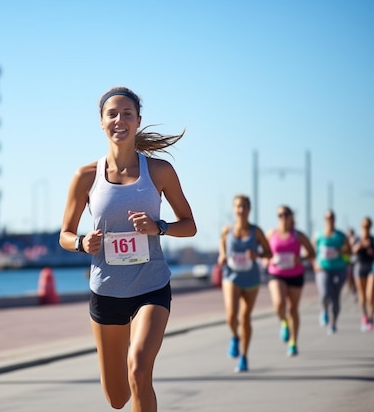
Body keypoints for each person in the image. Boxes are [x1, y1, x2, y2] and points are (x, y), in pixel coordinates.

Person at [59, 87, 196, 411]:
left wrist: (159, 226)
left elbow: (189, 224)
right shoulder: (86, 176)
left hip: (151, 286)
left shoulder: (159, 171)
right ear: (102, 122)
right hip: (106, 291)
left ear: (137, 121)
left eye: (127, 114)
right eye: (113, 114)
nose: (120, 120)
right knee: (118, 397)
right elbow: (64, 234)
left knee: (139, 368)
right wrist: (81, 243)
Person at [217, 194, 272, 372]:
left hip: (251, 278)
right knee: (231, 316)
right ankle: (234, 336)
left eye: (244, 206)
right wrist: (222, 254)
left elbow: (269, 253)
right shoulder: (227, 230)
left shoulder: (256, 232)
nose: (241, 210)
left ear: (249, 209)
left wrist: (257, 255)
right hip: (231, 276)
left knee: (245, 318)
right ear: (234, 209)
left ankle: (244, 356)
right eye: (238, 206)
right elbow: (222, 243)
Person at [265, 205, 316, 356]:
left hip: (295, 274)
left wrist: (300, 258)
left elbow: (311, 252)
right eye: (280, 214)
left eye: (286, 214)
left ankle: (293, 342)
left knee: (293, 309)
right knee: (279, 304)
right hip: (276, 273)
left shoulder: (298, 235)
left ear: (291, 216)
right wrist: (267, 260)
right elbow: (264, 252)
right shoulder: (271, 234)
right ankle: (283, 322)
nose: (283, 217)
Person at [314, 210, 351, 334]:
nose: (329, 220)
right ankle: (324, 310)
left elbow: (349, 252)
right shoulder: (318, 234)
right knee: (325, 293)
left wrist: (341, 252)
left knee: (335, 297)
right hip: (323, 269)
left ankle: (333, 322)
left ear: (335, 219)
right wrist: (314, 263)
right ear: (324, 219)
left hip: (338, 269)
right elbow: (311, 252)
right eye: (327, 217)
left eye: (332, 217)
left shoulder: (341, 235)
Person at [352, 217, 374, 331]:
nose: (366, 228)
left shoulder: (372, 240)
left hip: (371, 267)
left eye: (368, 226)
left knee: (370, 295)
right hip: (359, 267)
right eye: (364, 226)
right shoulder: (358, 239)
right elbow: (352, 251)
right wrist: (358, 247)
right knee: (362, 295)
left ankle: (371, 317)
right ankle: (364, 315)